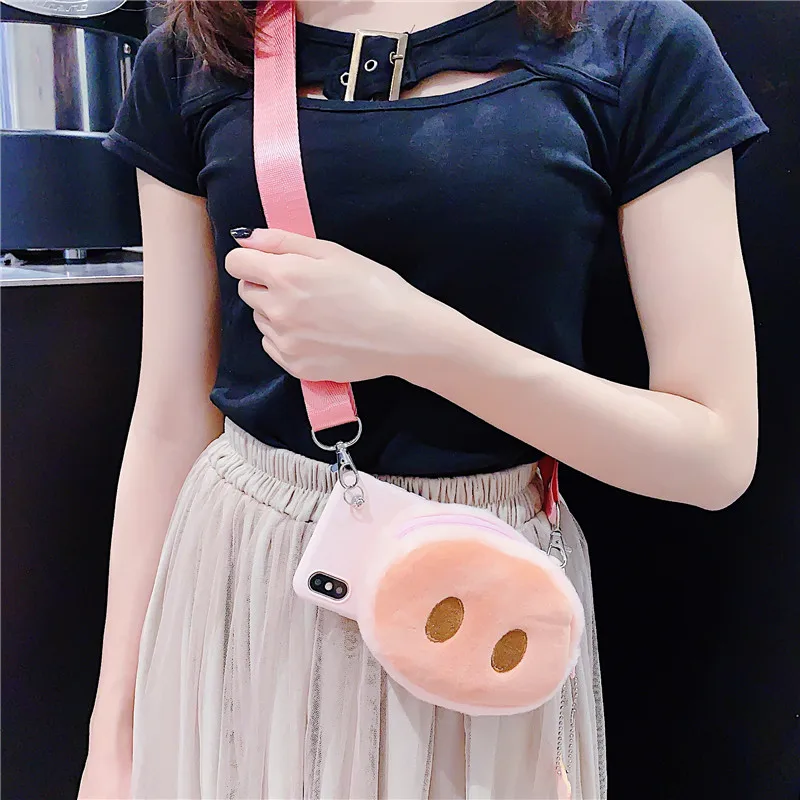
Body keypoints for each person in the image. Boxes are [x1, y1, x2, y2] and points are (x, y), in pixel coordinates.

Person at [78, 1, 767, 798]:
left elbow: (714, 455)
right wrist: (114, 732)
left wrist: (417, 339)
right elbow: (171, 416)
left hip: (482, 603)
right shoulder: (200, 46)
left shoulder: (635, 39)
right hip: (242, 583)